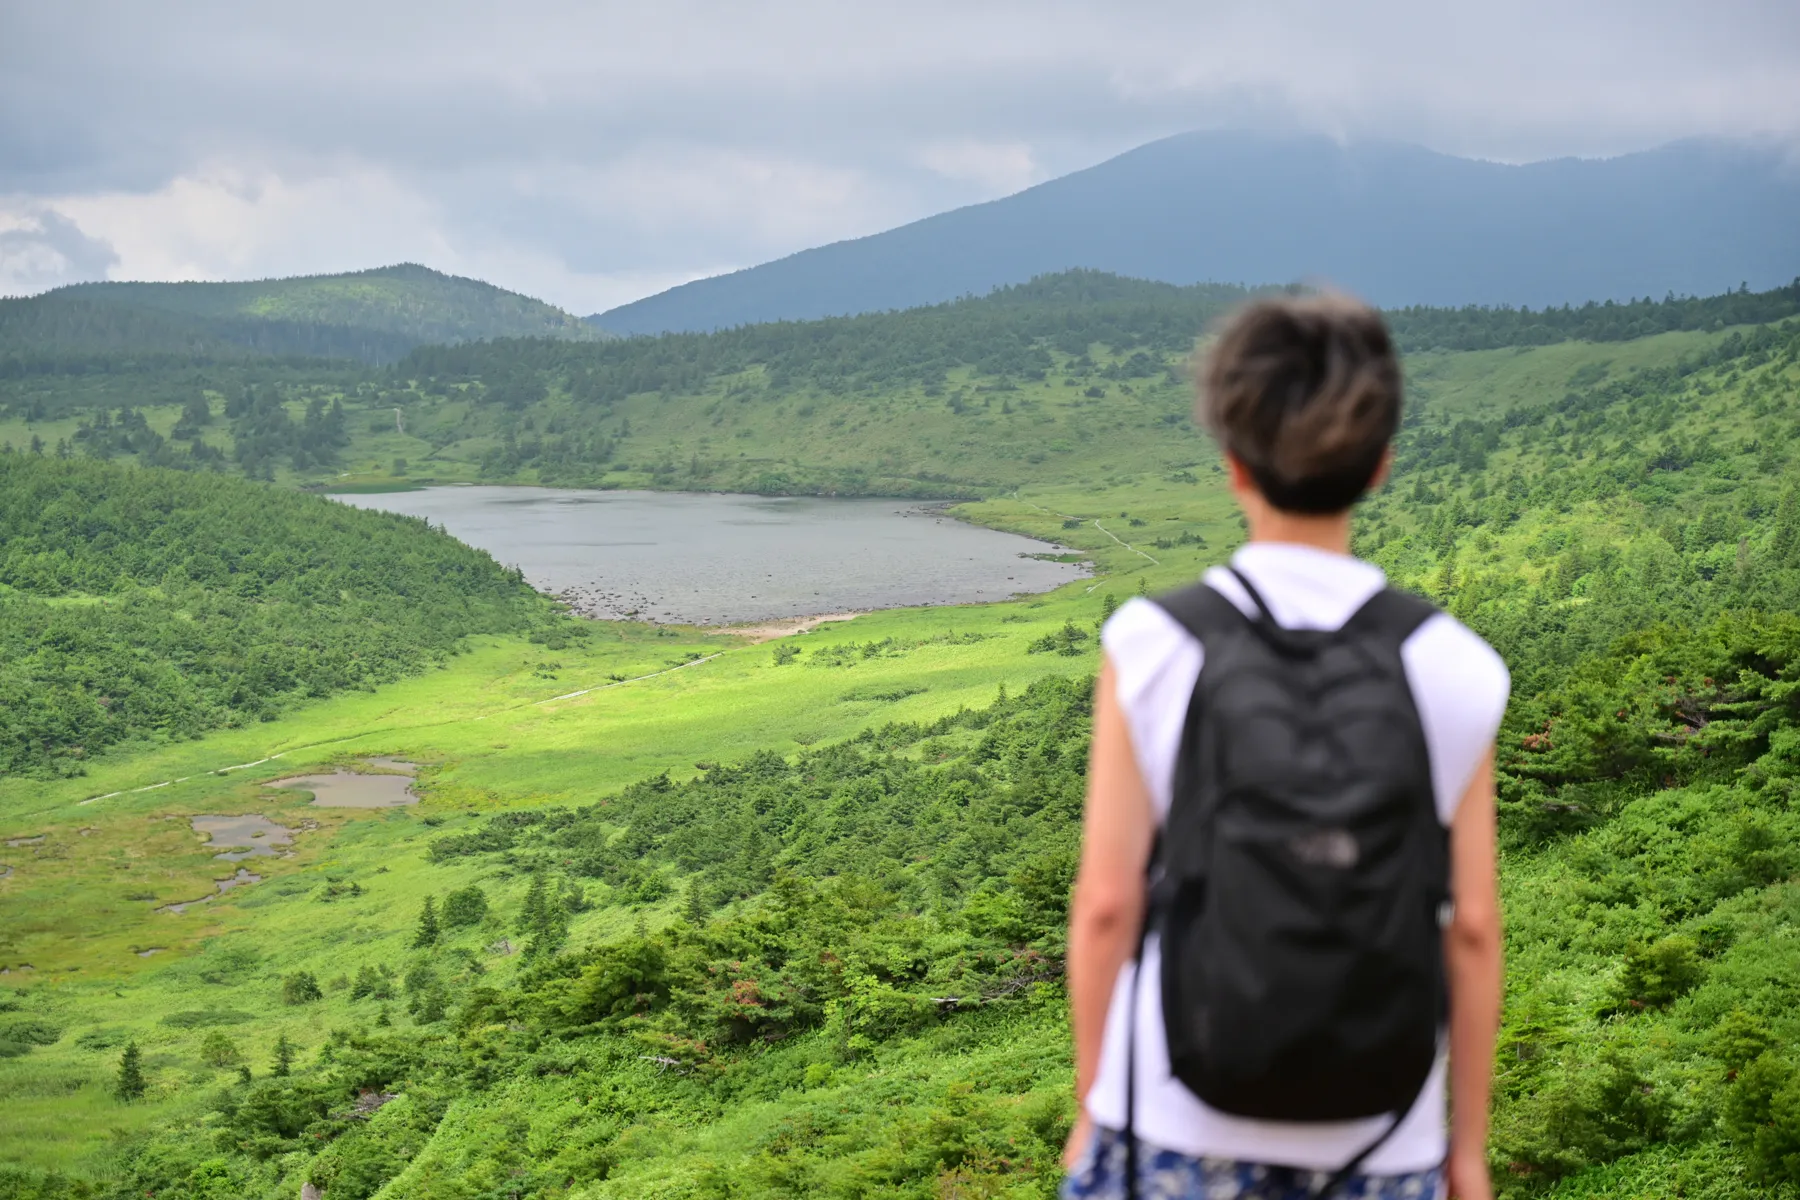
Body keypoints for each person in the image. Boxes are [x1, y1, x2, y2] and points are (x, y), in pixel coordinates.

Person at [1062, 294, 1508, 1200]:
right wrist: (1465, 1152)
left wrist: (1092, 1107)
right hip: (1384, 1138)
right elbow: (1471, 926)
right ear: (1381, 465)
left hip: (1169, 1120)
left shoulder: (1153, 643)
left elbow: (1108, 903)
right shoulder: (1457, 665)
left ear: (1233, 462)